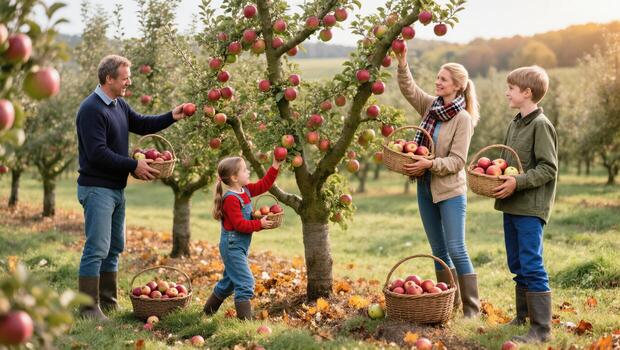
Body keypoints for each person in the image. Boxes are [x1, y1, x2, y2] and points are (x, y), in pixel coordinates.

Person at [75, 54, 191, 320]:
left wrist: (171, 116)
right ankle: (88, 308)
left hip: (115, 189)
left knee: (114, 246)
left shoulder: (118, 104)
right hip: (97, 188)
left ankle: (108, 302)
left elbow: (140, 123)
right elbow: (97, 154)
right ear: (109, 79)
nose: (129, 82)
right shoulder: (91, 109)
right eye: (125, 77)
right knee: (97, 247)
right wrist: (132, 165)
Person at [395, 41, 481, 317]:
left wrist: (429, 163)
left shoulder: (462, 118)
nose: (437, 82)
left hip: (450, 192)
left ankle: (472, 308)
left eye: (443, 79)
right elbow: (409, 89)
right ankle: (446, 303)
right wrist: (402, 61)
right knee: (438, 250)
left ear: (457, 85)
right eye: (437, 78)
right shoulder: (432, 107)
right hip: (425, 187)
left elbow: (457, 162)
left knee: (456, 248)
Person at [493, 65, 557, 343]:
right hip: (512, 204)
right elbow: (509, 163)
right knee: (517, 262)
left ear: (527, 92)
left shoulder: (541, 126)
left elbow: (548, 168)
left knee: (532, 264)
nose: (506, 93)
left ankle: (541, 329)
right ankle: (523, 317)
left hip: (530, 207)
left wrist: (517, 182)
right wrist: (493, 171)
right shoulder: (515, 123)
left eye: (511, 89)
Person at [202, 156, 281, 320]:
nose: (249, 171)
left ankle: (206, 314)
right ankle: (245, 323)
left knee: (228, 284)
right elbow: (240, 225)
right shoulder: (231, 199)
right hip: (232, 246)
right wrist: (259, 224)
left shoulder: (245, 190)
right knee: (245, 283)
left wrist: (275, 165)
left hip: (239, 246)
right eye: (245, 170)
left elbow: (264, 184)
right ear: (234, 177)